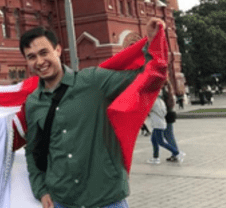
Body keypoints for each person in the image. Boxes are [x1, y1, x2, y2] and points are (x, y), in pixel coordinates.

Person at [20, 17, 167, 208]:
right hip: (62, 200)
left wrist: (152, 42)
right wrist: (41, 190)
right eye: (31, 57)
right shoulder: (33, 102)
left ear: (57, 50)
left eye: (43, 52)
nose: (39, 61)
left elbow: (143, 77)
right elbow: (33, 151)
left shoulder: (92, 81)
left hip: (105, 198)